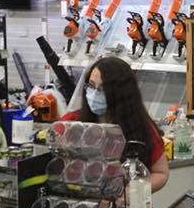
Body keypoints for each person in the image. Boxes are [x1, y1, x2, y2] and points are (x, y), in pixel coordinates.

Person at [62, 56, 169, 192]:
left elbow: (161, 173)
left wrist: (132, 192)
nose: (93, 94)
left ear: (120, 94)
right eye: (91, 86)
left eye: (101, 89)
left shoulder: (142, 127)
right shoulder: (71, 122)